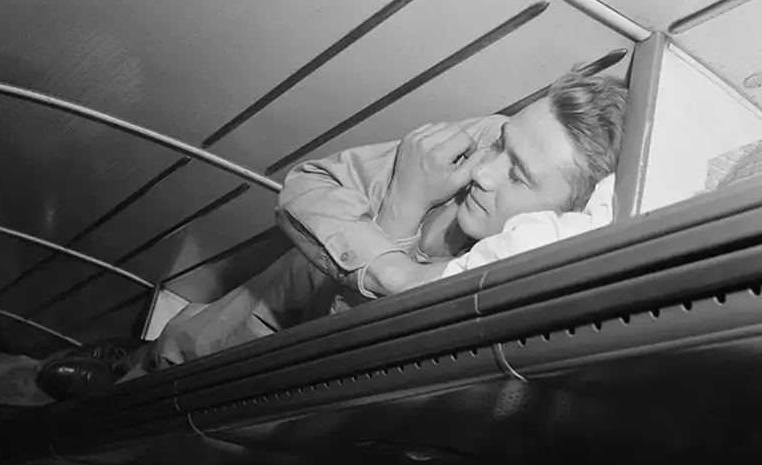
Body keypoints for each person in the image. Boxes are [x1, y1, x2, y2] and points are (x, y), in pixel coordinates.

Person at [36, 69, 628, 398]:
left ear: (560, 218)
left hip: (274, 380)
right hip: (277, 296)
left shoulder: (505, 293)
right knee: (193, 338)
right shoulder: (488, 142)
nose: (482, 168)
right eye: (503, 142)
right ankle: (128, 365)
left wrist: (390, 234)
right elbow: (307, 185)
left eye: (516, 175)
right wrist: (400, 218)